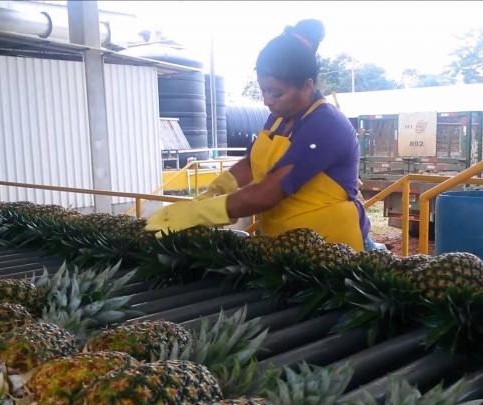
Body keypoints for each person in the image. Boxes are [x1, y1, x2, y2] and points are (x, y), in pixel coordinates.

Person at [146, 18, 371, 251]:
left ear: (306, 86)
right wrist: (216, 190)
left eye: (276, 92)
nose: (266, 100)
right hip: (285, 245)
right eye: (263, 90)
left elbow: (268, 192)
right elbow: (251, 164)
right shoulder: (279, 116)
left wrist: (201, 212)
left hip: (331, 248)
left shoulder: (326, 124)